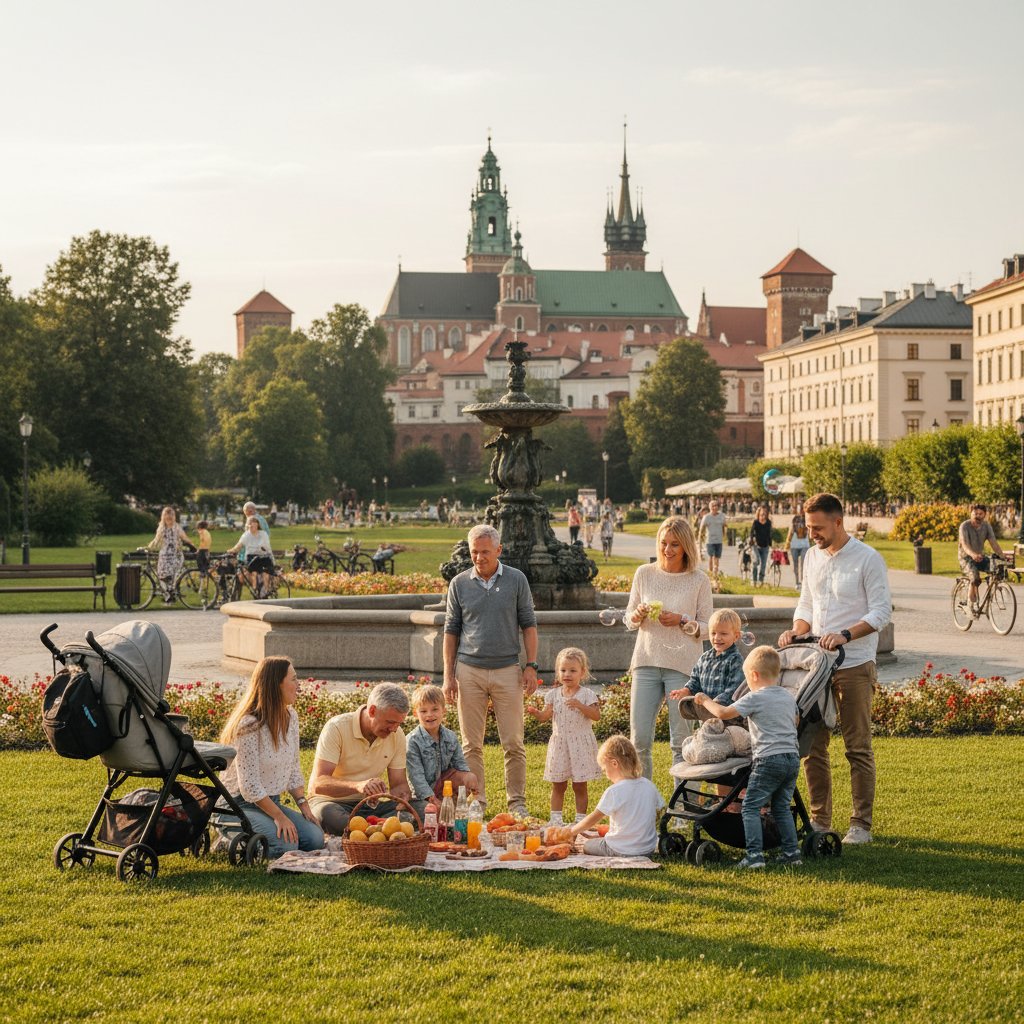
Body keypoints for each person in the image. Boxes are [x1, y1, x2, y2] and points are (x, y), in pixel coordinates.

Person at [779, 492, 891, 845]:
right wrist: (797, 630)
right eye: (808, 526)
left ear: (838, 522)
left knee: (857, 746)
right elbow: (806, 603)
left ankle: (861, 825)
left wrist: (845, 635)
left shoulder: (867, 559)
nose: (811, 533)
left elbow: (880, 613)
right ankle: (820, 821)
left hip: (855, 664)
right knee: (813, 745)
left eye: (817, 527)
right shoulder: (812, 556)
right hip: (816, 664)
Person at [443, 524, 538, 815]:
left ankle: (517, 804)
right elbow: (451, 631)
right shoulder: (458, 583)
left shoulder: (516, 580)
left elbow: (529, 625)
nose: (479, 557)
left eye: (485, 551)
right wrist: (449, 676)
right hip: (469, 670)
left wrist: (531, 666)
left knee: (513, 743)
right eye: (474, 552)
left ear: (498, 550)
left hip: (507, 669)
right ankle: (477, 802)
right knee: (471, 745)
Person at [695, 646, 802, 869]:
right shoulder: (788, 696)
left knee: (750, 807)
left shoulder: (755, 697)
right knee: (781, 807)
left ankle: (754, 857)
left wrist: (704, 699)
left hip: (768, 759)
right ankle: (792, 854)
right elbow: (796, 722)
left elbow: (724, 713)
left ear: (753, 675)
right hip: (792, 757)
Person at [625, 516, 713, 779]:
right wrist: (637, 615)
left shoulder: (699, 580)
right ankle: (643, 803)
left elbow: (709, 626)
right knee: (639, 740)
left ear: (686, 546)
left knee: (681, 742)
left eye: (675, 544)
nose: (667, 550)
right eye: (664, 543)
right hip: (646, 662)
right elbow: (628, 619)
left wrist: (681, 621)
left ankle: (682, 809)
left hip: (683, 666)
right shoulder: (644, 573)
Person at [214, 657, 324, 859]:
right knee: (286, 846)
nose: (298, 685)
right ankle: (227, 837)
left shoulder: (290, 717)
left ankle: (255, 836)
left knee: (315, 838)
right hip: (236, 805)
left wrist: (304, 807)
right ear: (276, 684)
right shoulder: (248, 725)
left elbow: (293, 769)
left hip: (269, 803)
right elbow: (250, 787)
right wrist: (280, 817)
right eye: (293, 679)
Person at [307, 682, 413, 835]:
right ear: (372, 711)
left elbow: (399, 784)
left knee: (420, 809)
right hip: (330, 802)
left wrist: (402, 796)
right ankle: (377, 830)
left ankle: (368, 830)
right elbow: (318, 784)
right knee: (329, 815)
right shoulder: (336, 727)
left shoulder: (397, 735)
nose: (394, 729)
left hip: (369, 806)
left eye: (398, 723)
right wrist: (358, 786)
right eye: (390, 722)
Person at [525, 647, 601, 824]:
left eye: (573, 670)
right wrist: (537, 713)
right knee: (558, 784)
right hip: (560, 744)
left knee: (579, 785)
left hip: (580, 745)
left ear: (582, 673)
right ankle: (555, 819)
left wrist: (580, 706)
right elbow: (545, 717)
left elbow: (596, 716)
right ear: (558, 672)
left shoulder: (587, 694)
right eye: (563, 670)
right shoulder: (553, 695)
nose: (567, 674)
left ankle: (580, 820)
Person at [570, 736, 665, 858]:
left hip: (620, 850)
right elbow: (660, 811)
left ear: (614, 763)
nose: (606, 774)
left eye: (605, 769)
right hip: (647, 849)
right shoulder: (649, 785)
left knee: (587, 845)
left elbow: (593, 819)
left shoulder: (614, 791)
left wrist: (571, 832)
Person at [405, 685, 478, 819]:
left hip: (443, 785)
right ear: (416, 714)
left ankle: (455, 806)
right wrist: (431, 797)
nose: (429, 715)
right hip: (421, 793)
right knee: (432, 813)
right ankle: (434, 811)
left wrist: (468, 778)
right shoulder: (412, 741)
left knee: (468, 777)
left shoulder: (450, 737)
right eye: (423, 711)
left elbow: (460, 764)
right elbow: (416, 777)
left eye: (435, 709)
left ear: (443, 711)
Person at [669, 609, 745, 709]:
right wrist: (686, 691)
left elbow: (734, 690)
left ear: (736, 636)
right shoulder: (705, 657)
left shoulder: (735, 660)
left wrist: (713, 704)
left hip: (726, 714)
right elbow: (695, 681)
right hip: (705, 712)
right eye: (713, 633)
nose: (717, 638)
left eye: (723, 633)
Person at [957, 503, 1006, 612]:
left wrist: (1003, 556)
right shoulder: (964, 526)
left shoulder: (986, 526)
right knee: (975, 578)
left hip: (979, 557)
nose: (978, 516)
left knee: (997, 570)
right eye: (975, 513)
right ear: (971, 513)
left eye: (981, 514)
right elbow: (964, 544)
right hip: (966, 558)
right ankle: (970, 604)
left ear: (984, 515)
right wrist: (973, 554)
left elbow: (993, 543)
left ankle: (987, 598)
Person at [148, 507, 194, 601]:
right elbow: (156, 540)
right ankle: (168, 595)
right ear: (163, 517)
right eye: (167, 516)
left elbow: (184, 537)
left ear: (174, 517)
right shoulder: (161, 527)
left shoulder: (176, 527)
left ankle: (170, 593)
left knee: (170, 574)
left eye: (171, 516)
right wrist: (148, 547)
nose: (169, 518)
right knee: (161, 574)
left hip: (175, 555)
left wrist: (193, 545)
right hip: (164, 555)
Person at [228, 516, 274, 597]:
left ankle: (266, 590)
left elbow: (266, 546)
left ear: (257, 525)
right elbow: (239, 545)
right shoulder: (246, 535)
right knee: (253, 572)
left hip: (263, 555)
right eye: (249, 525)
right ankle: (255, 589)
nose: (251, 527)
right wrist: (231, 550)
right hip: (251, 556)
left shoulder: (263, 534)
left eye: (253, 525)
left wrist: (263, 548)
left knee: (265, 573)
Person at [699, 500, 728, 577]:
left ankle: (715, 572)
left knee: (717, 557)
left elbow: (725, 525)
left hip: (719, 540)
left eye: (716, 505)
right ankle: (712, 572)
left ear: (718, 507)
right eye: (713, 506)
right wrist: (700, 540)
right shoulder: (706, 517)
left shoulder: (722, 516)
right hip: (710, 540)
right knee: (712, 556)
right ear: (710, 507)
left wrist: (725, 534)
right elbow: (701, 529)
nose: (715, 507)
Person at [786, 502, 810, 586]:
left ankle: (803, 582)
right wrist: (787, 544)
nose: (801, 510)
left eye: (802, 508)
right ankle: (797, 582)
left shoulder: (808, 518)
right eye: (799, 508)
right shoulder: (794, 519)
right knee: (795, 564)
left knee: (804, 563)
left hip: (804, 545)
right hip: (794, 544)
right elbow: (790, 532)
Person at [750, 505, 773, 586]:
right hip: (756, 545)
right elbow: (751, 533)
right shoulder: (756, 522)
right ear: (758, 514)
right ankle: (753, 579)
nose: (763, 516)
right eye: (762, 514)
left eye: (765, 514)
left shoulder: (769, 523)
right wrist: (752, 540)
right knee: (756, 561)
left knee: (763, 564)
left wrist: (771, 545)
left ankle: (761, 580)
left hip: (765, 546)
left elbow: (769, 534)